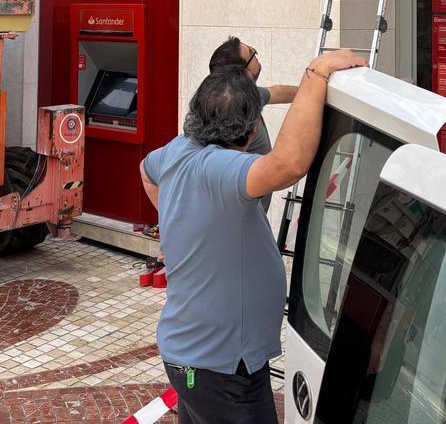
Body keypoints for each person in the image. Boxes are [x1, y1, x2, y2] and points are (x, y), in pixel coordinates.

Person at [141, 48, 366, 423]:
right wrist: (318, 72)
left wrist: (180, 223)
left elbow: (145, 171)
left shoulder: (178, 150)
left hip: (205, 361)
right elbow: (289, 163)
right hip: (220, 371)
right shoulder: (220, 169)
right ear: (253, 128)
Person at [207, 37, 297, 209]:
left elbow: (277, 92)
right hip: (239, 218)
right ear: (245, 72)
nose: (256, 55)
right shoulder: (229, 109)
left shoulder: (248, 95)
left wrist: (312, 91)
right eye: (252, 53)